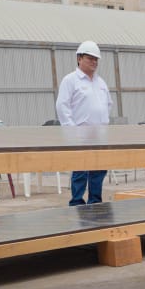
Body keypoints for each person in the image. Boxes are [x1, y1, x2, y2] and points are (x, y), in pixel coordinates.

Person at [56, 40, 113, 204]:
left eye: (96, 59)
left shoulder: (100, 82)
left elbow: (108, 104)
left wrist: (103, 124)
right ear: (79, 58)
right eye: (90, 58)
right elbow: (62, 105)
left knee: (99, 169)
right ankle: (77, 202)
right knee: (80, 169)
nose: (94, 62)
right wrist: (71, 129)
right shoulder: (71, 80)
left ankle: (95, 201)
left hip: (99, 134)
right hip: (79, 133)